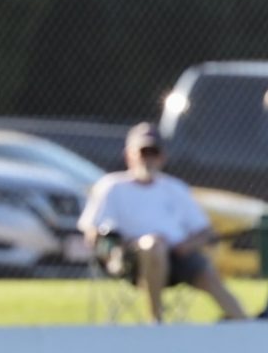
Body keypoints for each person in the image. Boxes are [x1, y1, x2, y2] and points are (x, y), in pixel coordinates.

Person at [79, 122, 247, 322]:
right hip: (130, 260)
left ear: (162, 157)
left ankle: (246, 325)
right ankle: (156, 321)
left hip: (176, 257)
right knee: (153, 245)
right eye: (143, 152)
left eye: (153, 152)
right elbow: (92, 230)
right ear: (129, 155)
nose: (148, 158)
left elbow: (206, 232)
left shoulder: (175, 188)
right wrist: (109, 248)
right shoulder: (112, 187)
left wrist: (189, 245)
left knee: (205, 273)